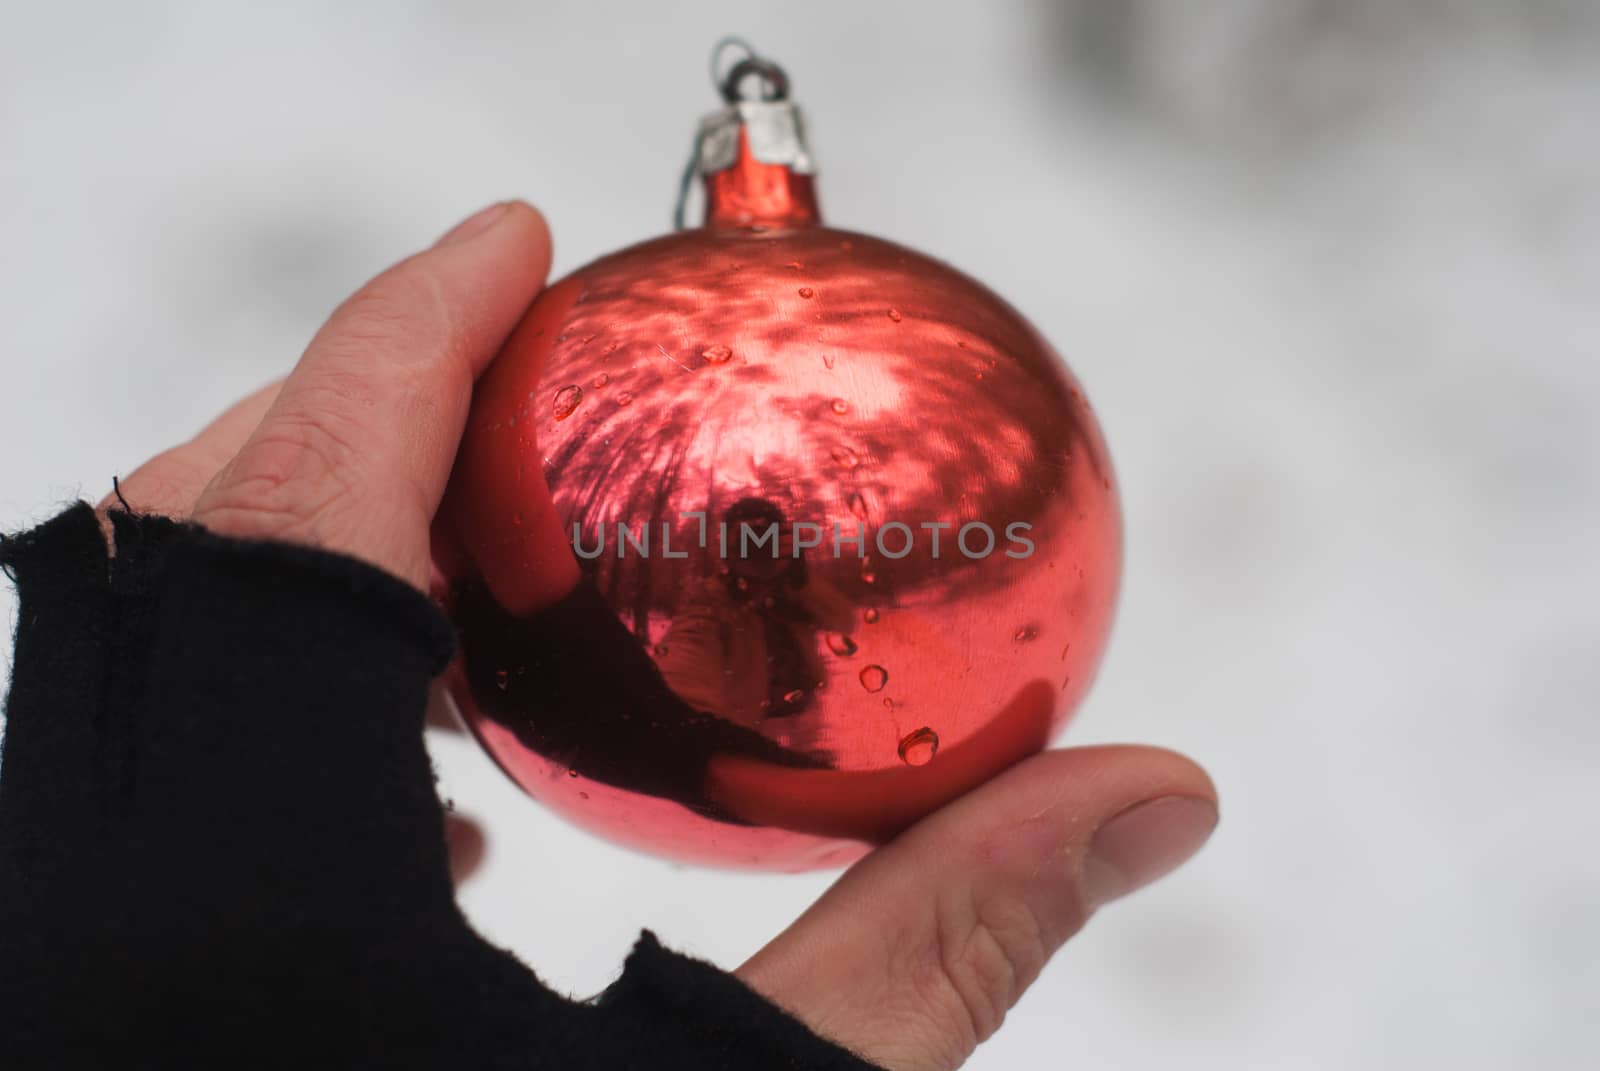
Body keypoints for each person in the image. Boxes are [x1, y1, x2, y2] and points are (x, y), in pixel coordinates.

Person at [0, 201, 1218, 1070]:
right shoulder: (569, 628)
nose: (724, 596)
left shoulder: (700, 722)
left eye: (753, 585)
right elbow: (534, 522)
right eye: (727, 566)